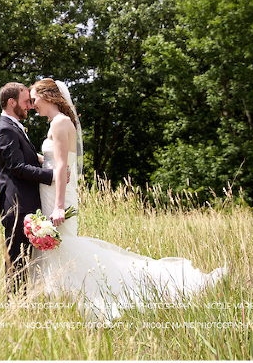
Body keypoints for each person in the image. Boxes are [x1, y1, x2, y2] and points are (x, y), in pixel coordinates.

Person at [28, 78, 227, 321]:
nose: (32, 103)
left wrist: (59, 206)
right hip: (52, 192)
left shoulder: (60, 123)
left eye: (34, 97)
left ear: (47, 96)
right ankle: (61, 299)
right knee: (59, 246)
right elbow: (56, 160)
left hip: (58, 196)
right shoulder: (56, 123)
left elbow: (60, 167)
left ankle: (99, 294)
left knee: (66, 245)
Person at [0, 82, 54, 297]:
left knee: (25, 260)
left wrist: (42, 159)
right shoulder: (5, 130)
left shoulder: (13, 126)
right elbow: (17, 168)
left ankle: (23, 303)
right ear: (12, 102)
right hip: (17, 205)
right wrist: (52, 175)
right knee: (17, 262)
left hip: (25, 204)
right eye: (26, 101)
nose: (29, 105)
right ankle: (14, 307)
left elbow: (21, 158)